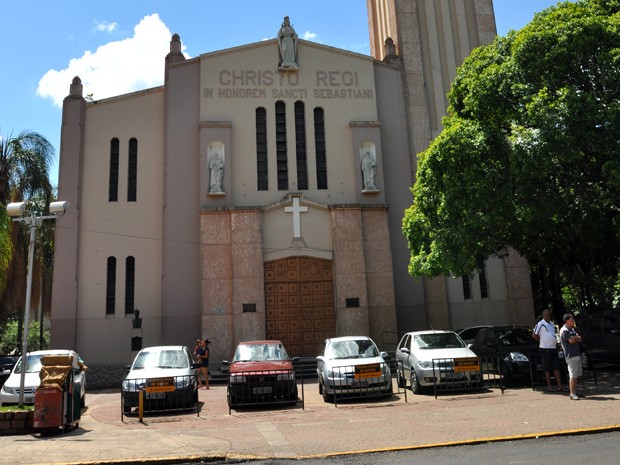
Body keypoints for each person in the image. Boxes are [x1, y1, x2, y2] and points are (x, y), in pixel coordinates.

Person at [532, 309, 563, 391]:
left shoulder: (552, 324)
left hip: (553, 347)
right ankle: (549, 386)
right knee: (547, 367)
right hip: (545, 348)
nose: (547, 316)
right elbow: (534, 335)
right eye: (546, 315)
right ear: (543, 315)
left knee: (556, 366)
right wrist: (542, 340)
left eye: (548, 314)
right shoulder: (540, 324)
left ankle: (559, 386)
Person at [560, 313, 584, 400]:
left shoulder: (572, 329)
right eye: (571, 319)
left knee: (576, 375)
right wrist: (576, 338)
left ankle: (575, 392)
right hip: (570, 355)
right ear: (567, 321)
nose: (573, 321)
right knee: (573, 375)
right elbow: (570, 341)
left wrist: (575, 337)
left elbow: (580, 339)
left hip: (576, 354)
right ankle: (572, 394)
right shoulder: (564, 330)